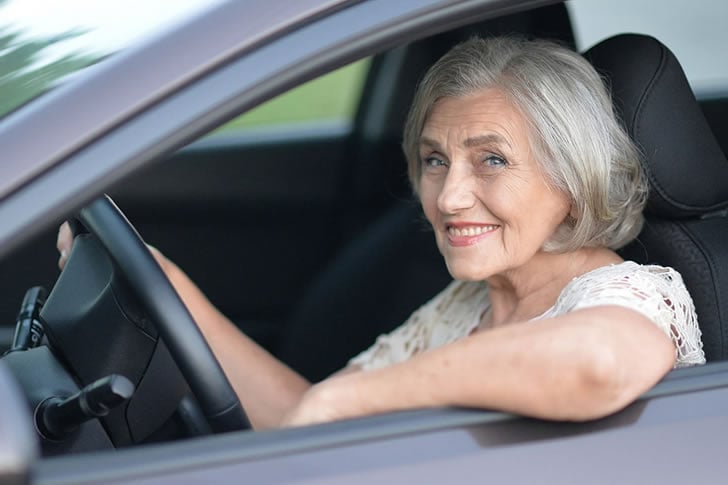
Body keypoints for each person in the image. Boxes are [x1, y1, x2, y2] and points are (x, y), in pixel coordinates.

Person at [57, 36, 705, 430]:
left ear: (572, 180)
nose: (448, 196)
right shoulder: (465, 307)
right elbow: (310, 414)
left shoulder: (633, 293)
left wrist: (358, 396)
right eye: (434, 159)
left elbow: (599, 363)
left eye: (492, 159)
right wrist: (168, 287)